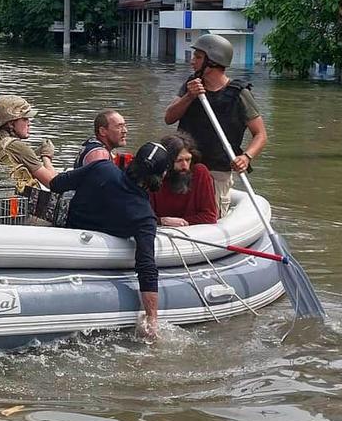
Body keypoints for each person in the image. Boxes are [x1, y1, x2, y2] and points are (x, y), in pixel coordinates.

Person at [23, 141, 173, 339]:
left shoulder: (102, 168)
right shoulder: (144, 217)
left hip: (61, 237)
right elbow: (146, 267)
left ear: (133, 161)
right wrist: (152, 317)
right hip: (91, 262)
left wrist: (47, 159)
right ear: (161, 176)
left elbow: (56, 184)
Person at [163, 33, 267, 215]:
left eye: (198, 57)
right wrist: (189, 96)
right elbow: (169, 118)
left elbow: (260, 134)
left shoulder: (239, 94)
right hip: (185, 167)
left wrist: (246, 157)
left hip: (216, 171)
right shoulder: (191, 86)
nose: (192, 61)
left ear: (212, 62)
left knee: (210, 215)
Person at [0, 95, 55, 195]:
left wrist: (33, 154)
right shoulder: (18, 147)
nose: (29, 123)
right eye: (25, 119)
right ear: (10, 123)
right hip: (13, 206)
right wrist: (46, 157)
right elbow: (54, 183)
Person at [148, 132, 218, 227]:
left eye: (188, 159)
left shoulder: (200, 173)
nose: (185, 166)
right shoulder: (154, 176)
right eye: (179, 161)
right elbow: (142, 215)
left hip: (194, 234)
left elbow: (210, 216)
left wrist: (183, 222)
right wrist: (161, 221)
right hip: (160, 231)